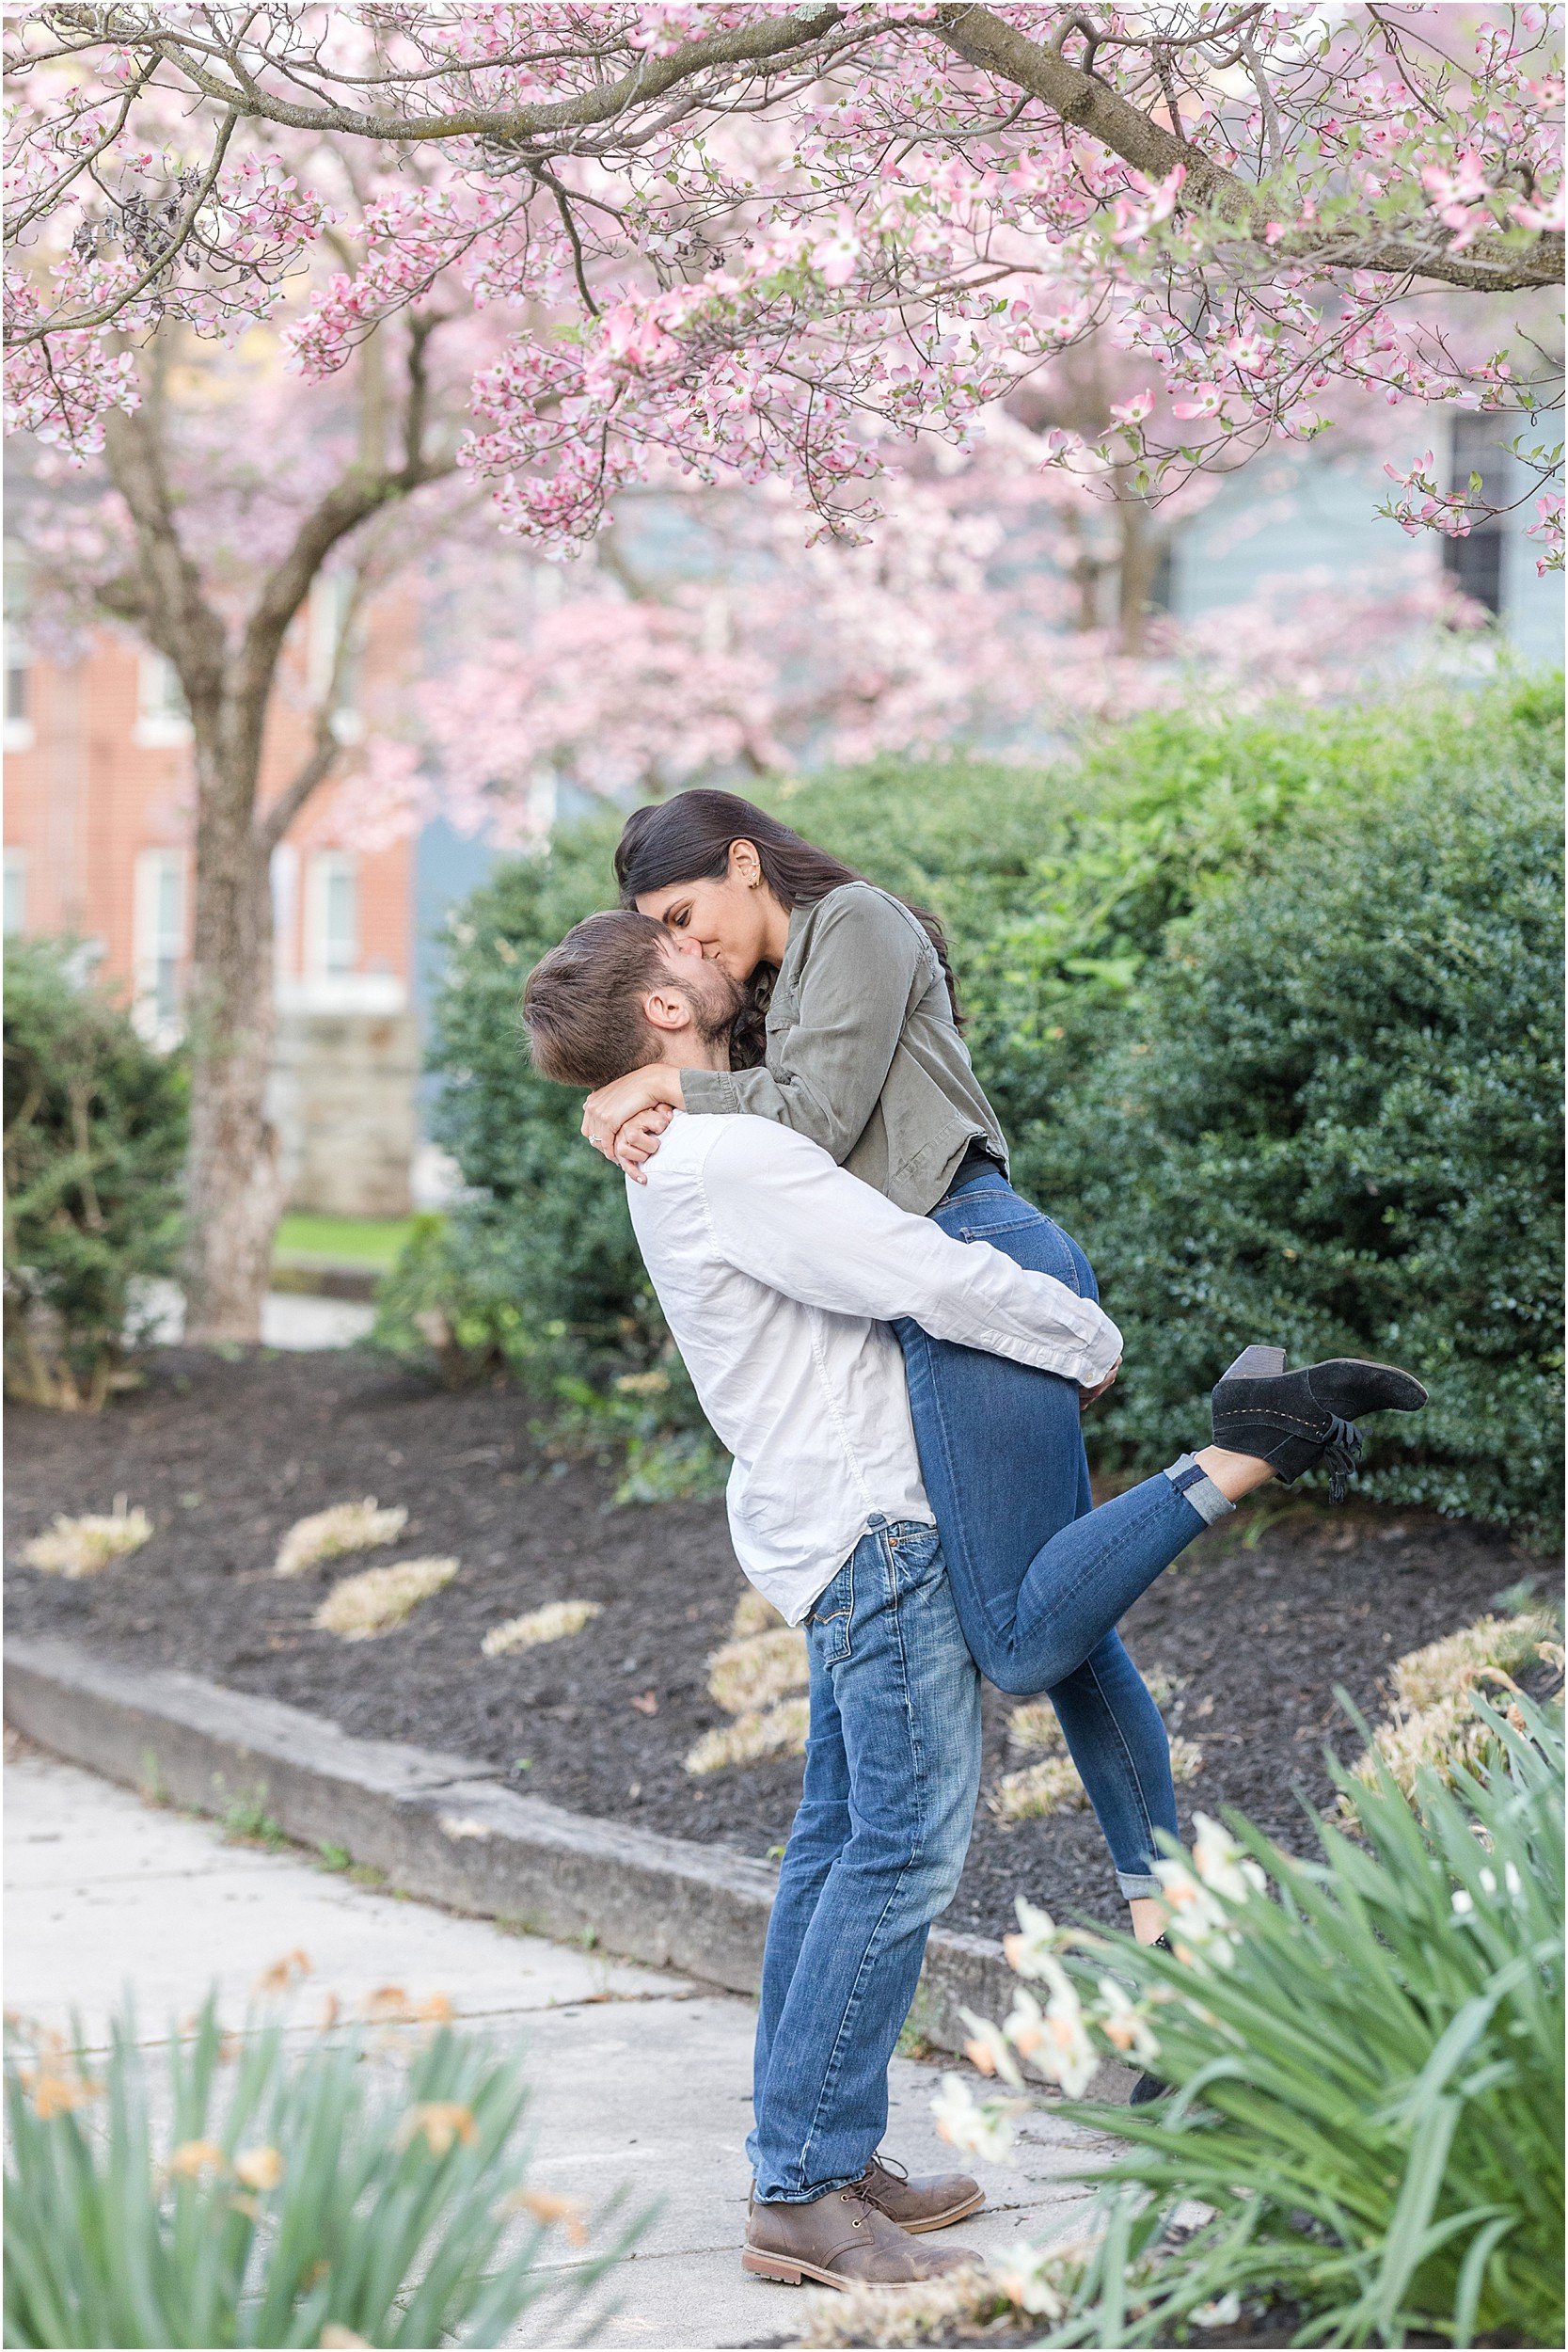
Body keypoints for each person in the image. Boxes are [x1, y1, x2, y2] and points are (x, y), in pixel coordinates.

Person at [522, 910, 1425, 2290]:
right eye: (680, 952)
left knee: (835, 1848)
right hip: (877, 1526)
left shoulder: (683, 1147)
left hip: (831, 1520)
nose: (710, 953)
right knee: (898, 1852)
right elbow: (912, 1274)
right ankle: (804, 2194)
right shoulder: (730, 1153)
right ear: (660, 1013)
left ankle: (814, 2145)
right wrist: (1082, 1337)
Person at [576, 791, 1421, 1955]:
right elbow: (776, 1136)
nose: (688, 943)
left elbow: (812, 1119)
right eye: (661, 934)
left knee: (1020, 1641)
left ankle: (1253, 1439)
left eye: (683, 913)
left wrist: (662, 1087)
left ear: (742, 860)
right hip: (938, 1279)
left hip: (972, 1255)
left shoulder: (857, 921)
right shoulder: (774, 993)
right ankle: (1171, 1932)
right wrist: (636, 1097)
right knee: (1066, 1627)